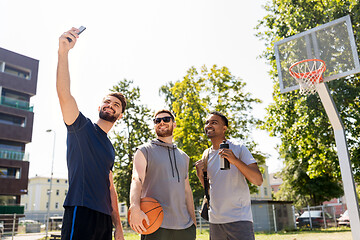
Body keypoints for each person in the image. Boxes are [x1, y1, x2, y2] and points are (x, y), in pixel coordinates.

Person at [57, 27, 126, 240]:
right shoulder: (81, 128)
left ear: (120, 115)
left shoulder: (110, 148)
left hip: (104, 219)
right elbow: (64, 95)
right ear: (99, 107)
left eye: (116, 105)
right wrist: (63, 53)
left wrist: (119, 226)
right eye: (107, 101)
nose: (110, 105)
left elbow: (110, 187)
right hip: (81, 210)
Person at [129, 109, 196, 240]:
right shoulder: (144, 150)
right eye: (157, 120)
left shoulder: (184, 157)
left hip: (185, 227)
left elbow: (187, 190)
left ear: (174, 124)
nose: (161, 122)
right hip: (155, 224)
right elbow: (137, 179)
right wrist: (134, 207)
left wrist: (193, 221)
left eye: (166, 119)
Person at [195, 111, 263, 240]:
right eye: (207, 122)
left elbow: (258, 180)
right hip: (215, 221)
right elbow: (210, 190)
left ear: (224, 128)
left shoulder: (238, 148)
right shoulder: (206, 155)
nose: (209, 125)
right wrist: (200, 175)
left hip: (239, 219)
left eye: (214, 122)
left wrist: (235, 160)